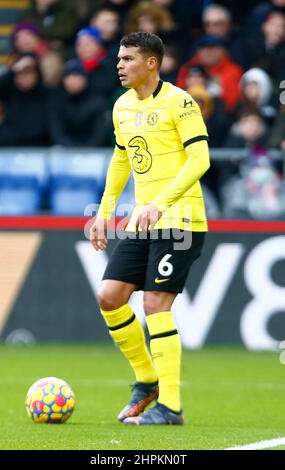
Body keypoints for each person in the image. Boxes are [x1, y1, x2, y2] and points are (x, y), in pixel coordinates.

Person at [90, 32, 210, 425]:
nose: (119, 65)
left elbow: (200, 160)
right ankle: (147, 379)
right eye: (119, 58)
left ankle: (171, 407)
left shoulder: (180, 101)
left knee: (156, 303)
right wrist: (105, 211)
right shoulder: (122, 107)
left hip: (181, 219)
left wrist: (161, 204)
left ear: (152, 63)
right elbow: (121, 159)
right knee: (109, 297)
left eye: (127, 58)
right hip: (144, 220)